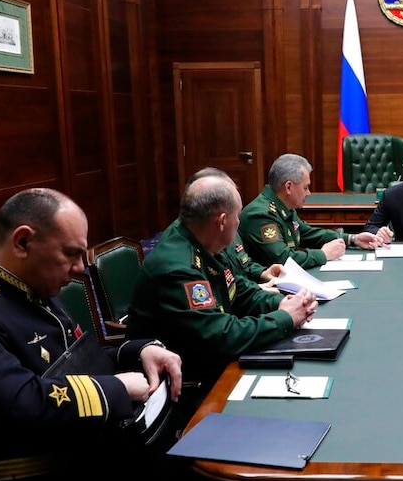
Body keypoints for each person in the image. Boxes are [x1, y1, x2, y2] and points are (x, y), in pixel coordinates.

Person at [0, 188, 184, 481]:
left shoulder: (29, 284)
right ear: (22, 242)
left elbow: (75, 360)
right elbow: (20, 401)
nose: (80, 268)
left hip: (90, 452)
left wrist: (137, 350)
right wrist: (116, 388)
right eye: (71, 254)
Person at [125, 171, 318, 407]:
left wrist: (283, 304)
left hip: (214, 361)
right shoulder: (178, 267)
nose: (239, 223)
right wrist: (284, 319)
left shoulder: (203, 240)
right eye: (237, 217)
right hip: (187, 384)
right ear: (222, 221)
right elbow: (220, 337)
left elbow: (238, 289)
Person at [239, 153, 385, 268]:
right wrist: (322, 254)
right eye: (305, 187)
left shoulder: (283, 206)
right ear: (288, 187)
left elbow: (307, 233)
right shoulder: (261, 215)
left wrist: (352, 239)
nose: (308, 193)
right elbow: (283, 259)